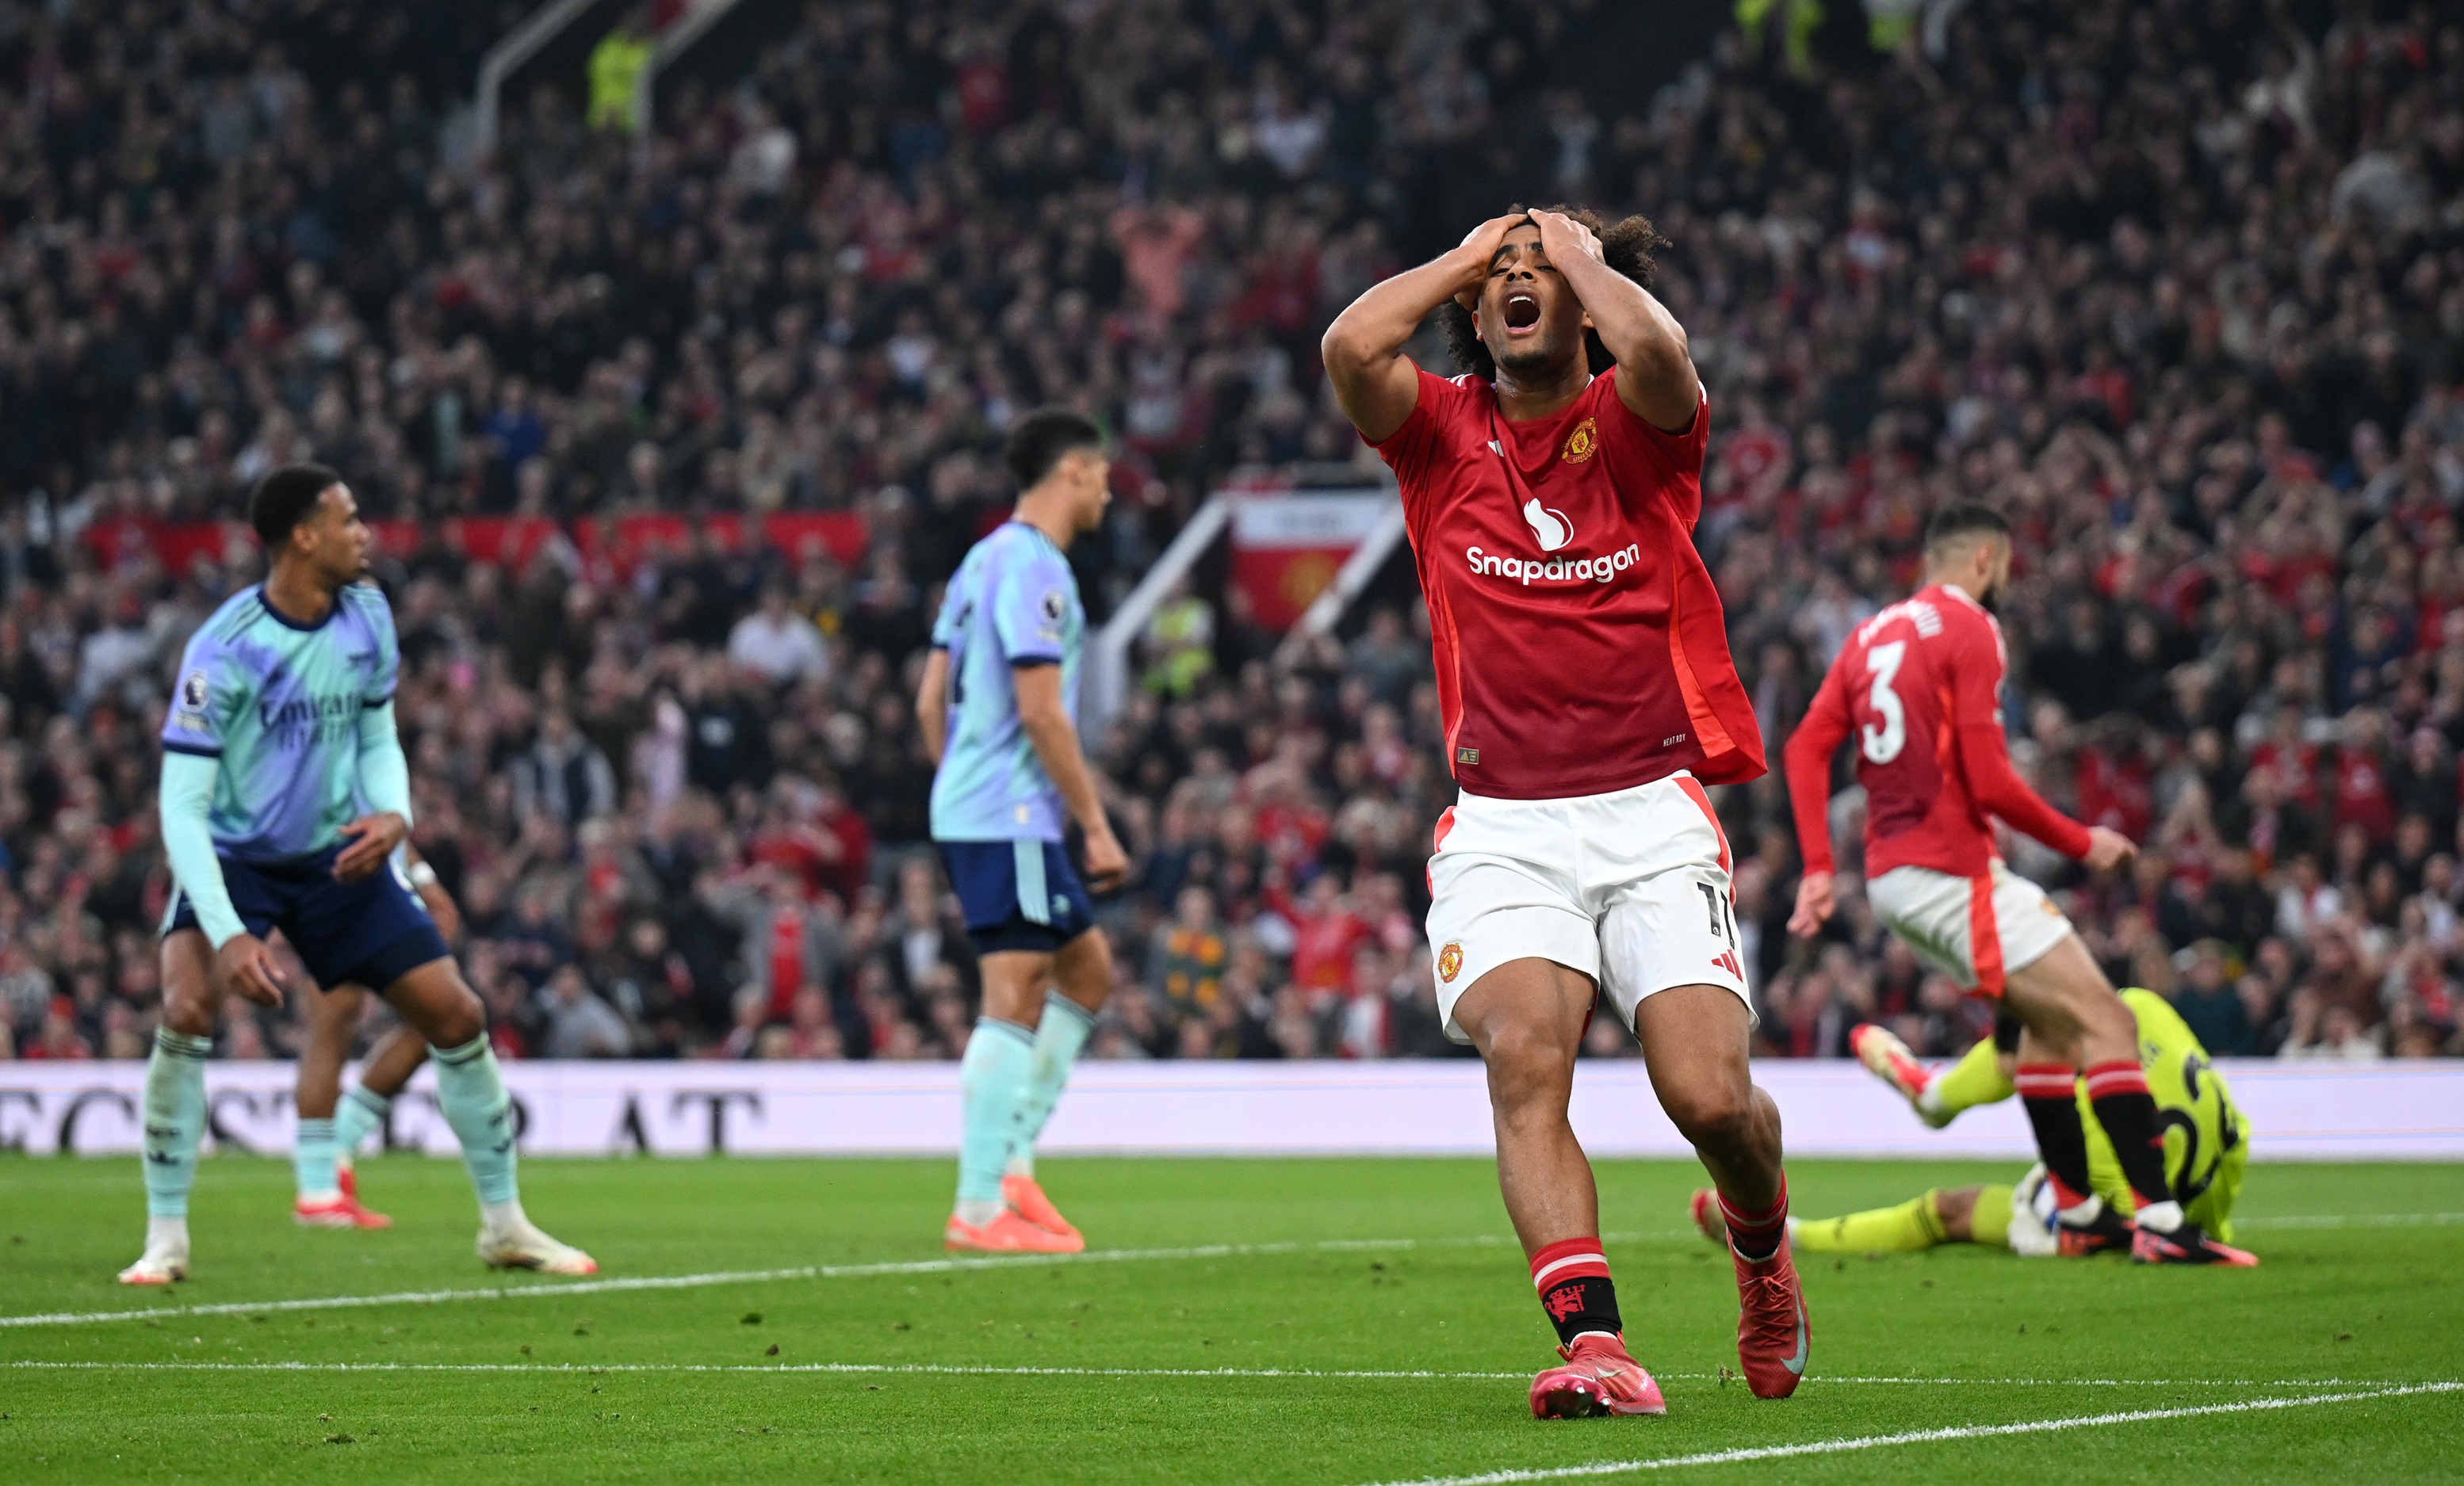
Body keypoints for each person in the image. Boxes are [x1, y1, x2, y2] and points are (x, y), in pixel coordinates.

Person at [1322, 207, 1793, 1419]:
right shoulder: (1438, 435)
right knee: (1526, 1058)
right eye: (1502, 283)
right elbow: (1346, 348)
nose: (1519, 287)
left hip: (1648, 811)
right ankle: (1598, 1345)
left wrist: (1577, 257)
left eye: (1544, 277)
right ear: (1475, 314)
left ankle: (1760, 1249)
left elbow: (1668, 356)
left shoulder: (1638, 429)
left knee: (1709, 1098)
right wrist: (1472, 257)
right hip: (1503, 823)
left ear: (1587, 301)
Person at [124, 463, 593, 1285]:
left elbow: (377, 739)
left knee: (454, 1013)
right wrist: (231, 936)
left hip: (339, 855)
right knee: (188, 1005)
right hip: (239, 858)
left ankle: (505, 1227)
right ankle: (166, 1238)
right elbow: (181, 813)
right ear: (304, 537)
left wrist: (394, 816)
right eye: (347, 520)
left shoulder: (368, 614)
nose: (363, 533)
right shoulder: (223, 652)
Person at [1782, 503, 2254, 1266]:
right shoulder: (1971, 628)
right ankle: (2161, 1221)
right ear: (1984, 561)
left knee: (2049, 1029)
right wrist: (2083, 841)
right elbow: (1990, 777)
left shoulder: (1868, 637)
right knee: (2106, 1019)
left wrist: (1814, 869)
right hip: (1951, 871)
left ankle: (2076, 1210)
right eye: (2003, 569)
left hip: (1892, 878)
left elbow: (1805, 747)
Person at [916, 408, 1129, 1255]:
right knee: (1014, 991)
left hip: (980, 804)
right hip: (1010, 812)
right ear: (1073, 469)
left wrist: (955, 788)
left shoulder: (976, 562)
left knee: (1088, 969)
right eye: (1104, 474)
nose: (1111, 490)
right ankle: (977, 1203)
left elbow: (930, 700)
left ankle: (1011, 1166)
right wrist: (1097, 826)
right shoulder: (1035, 569)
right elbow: (1042, 710)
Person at [1697, 991, 2248, 1259]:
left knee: (1948, 1209)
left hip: (2123, 1221)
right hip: (2209, 1200)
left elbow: (1932, 1099)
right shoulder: (2139, 1004)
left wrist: (1881, 1051)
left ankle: (1789, 1236)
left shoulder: (2037, 1061)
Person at [290, 839, 458, 1229]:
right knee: (333, 1025)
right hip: (332, 890)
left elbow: (391, 819)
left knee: (440, 1020)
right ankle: (317, 1189)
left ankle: (337, 1153)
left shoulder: (383, 803)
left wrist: (423, 879)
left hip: (384, 903)